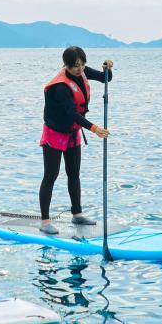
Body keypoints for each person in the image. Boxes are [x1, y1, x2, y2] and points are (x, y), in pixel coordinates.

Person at [38, 46, 114, 234]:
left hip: (72, 133)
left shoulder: (83, 72)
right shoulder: (61, 87)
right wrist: (95, 129)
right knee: (51, 176)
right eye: (75, 67)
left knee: (74, 174)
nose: (80, 69)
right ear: (66, 65)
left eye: (82, 65)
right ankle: (45, 221)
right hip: (54, 133)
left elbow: (107, 78)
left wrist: (107, 69)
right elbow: (72, 113)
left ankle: (77, 214)